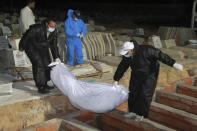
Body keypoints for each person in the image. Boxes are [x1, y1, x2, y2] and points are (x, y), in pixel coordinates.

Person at [113, 40, 183, 118]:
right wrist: (116, 78)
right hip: (136, 74)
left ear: (131, 50)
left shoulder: (147, 50)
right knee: (133, 93)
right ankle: (132, 112)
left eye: (126, 53)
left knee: (144, 95)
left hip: (150, 74)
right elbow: (122, 66)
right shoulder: (128, 57)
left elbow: (160, 55)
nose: (125, 55)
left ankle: (141, 115)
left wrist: (173, 63)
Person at [19, 19, 61, 94]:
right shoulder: (36, 28)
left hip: (43, 48)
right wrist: (21, 46)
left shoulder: (54, 32)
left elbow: (53, 45)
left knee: (47, 64)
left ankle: (45, 83)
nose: (53, 27)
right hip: (32, 48)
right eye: (51, 26)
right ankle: (40, 86)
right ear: (46, 24)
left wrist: (56, 57)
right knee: (39, 65)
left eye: (54, 26)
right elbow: (26, 37)